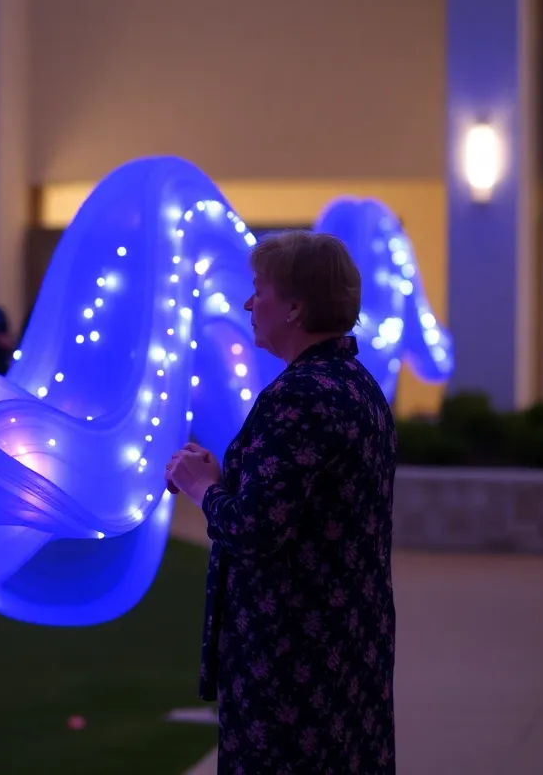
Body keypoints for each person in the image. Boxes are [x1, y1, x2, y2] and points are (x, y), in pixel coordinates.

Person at [166, 231, 397, 774]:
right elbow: (305, 508)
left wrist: (202, 490)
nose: (249, 303)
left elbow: (254, 530)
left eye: (259, 290)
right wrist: (227, 480)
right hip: (347, 647)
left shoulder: (300, 396)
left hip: (292, 665)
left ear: (295, 307)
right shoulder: (355, 384)